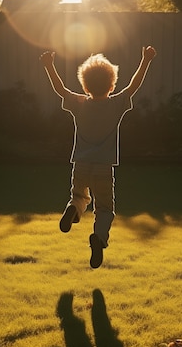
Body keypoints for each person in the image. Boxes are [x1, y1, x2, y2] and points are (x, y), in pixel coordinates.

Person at [40, 45, 156, 268]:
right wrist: (146, 60)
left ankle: (74, 208)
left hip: (81, 164)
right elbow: (133, 86)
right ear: (112, 85)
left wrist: (49, 66)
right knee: (104, 209)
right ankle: (98, 237)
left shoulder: (80, 103)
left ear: (85, 85)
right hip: (104, 168)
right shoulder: (115, 104)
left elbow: (60, 89)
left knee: (79, 196)